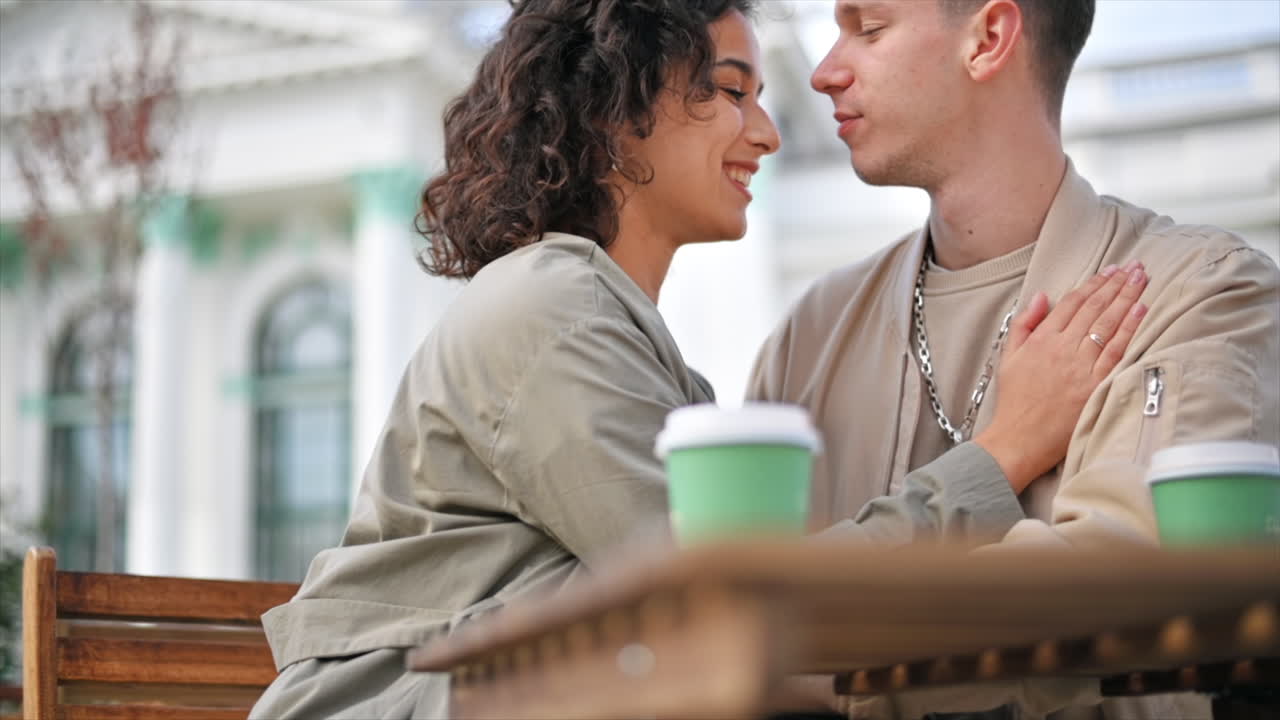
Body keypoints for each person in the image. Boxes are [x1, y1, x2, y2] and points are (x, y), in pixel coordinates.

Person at [250, 1, 1149, 718]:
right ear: (618, 106)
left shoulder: (631, 345)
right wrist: (1007, 449)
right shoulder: (547, 311)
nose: (766, 133)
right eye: (728, 91)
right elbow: (742, 613)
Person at [747, 1, 1280, 718]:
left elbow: (1123, 594)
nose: (823, 73)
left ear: (989, 38)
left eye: (868, 28)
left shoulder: (1203, 291)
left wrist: (815, 653)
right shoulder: (808, 337)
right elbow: (734, 632)